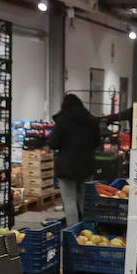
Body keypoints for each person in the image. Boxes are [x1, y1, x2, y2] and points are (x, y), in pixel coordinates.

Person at [48, 94, 101, 225]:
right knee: (85, 201)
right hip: (87, 166)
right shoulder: (92, 120)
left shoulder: (62, 121)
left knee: (70, 201)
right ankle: (88, 231)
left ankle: (73, 233)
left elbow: (53, 144)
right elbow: (97, 142)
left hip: (67, 167)